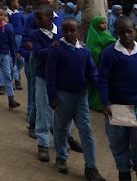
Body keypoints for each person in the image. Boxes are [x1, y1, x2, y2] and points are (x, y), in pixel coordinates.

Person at [46, 18, 105, 180]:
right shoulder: (56, 50)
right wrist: (52, 96)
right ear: (62, 32)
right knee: (61, 129)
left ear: (79, 32)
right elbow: (50, 76)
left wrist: (102, 88)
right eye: (66, 30)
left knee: (86, 131)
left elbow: (92, 73)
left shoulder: (84, 52)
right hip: (62, 96)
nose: (69, 33)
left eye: (73, 30)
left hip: (81, 97)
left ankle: (91, 167)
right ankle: (61, 157)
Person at [98, 16, 137, 181]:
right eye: (122, 32)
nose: (126, 35)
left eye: (129, 31)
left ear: (135, 31)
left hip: (136, 106)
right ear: (117, 34)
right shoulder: (109, 53)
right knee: (118, 142)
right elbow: (103, 79)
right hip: (117, 106)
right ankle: (123, 172)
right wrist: (106, 102)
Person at [31, 4, 62, 163]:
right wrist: (50, 49)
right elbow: (37, 53)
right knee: (43, 111)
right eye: (36, 17)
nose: (36, 21)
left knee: (62, 111)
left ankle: (62, 141)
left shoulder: (62, 31)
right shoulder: (35, 34)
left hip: (61, 79)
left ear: (50, 18)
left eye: (39, 17)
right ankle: (42, 144)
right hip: (43, 76)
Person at [86, 16, 116, 112]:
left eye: (105, 23)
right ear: (96, 25)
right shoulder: (93, 35)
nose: (105, 25)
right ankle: (97, 104)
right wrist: (102, 52)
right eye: (102, 23)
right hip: (99, 64)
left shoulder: (107, 33)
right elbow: (91, 50)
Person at [6, 0, 25, 91]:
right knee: (12, 60)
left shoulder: (19, 14)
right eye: (16, 2)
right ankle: (16, 79)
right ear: (12, 3)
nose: (18, 4)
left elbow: (24, 23)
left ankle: (16, 76)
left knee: (21, 59)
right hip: (10, 37)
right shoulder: (6, 14)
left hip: (19, 37)